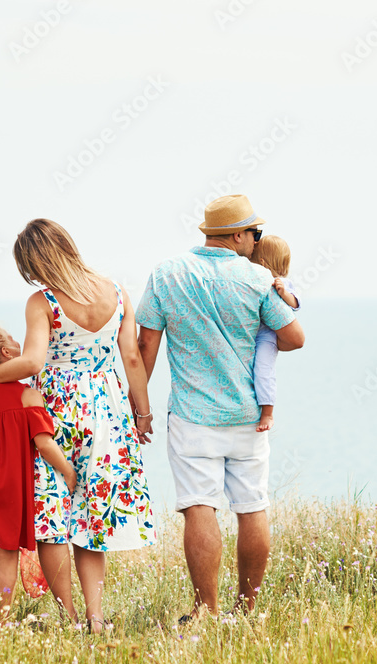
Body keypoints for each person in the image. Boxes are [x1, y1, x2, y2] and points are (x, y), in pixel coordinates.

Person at [0, 218, 157, 633]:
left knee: (52, 518)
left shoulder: (42, 301)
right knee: (93, 516)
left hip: (55, 412)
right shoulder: (116, 292)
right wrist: (142, 414)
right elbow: (132, 357)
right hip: (106, 410)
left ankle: (69, 618)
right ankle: (96, 617)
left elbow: (33, 361)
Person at [135, 194, 305, 620]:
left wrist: (140, 410)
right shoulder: (257, 279)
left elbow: (145, 347)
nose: (257, 241)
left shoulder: (166, 274)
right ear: (237, 235)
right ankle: (246, 610)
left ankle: (205, 610)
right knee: (252, 507)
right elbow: (295, 337)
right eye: (254, 233)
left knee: (199, 506)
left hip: (192, 416)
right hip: (249, 417)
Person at [0, 324, 77, 625]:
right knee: (6, 556)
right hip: (10, 486)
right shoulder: (28, 396)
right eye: (10, 336)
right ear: (6, 352)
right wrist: (68, 470)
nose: (16, 337)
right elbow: (44, 444)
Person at [250, 235, 301, 432]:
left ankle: (267, 412)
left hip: (267, 335)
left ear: (262, 263)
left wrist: (284, 293)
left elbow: (296, 304)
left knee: (263, 369)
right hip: (252, 332)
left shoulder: (283, 283)